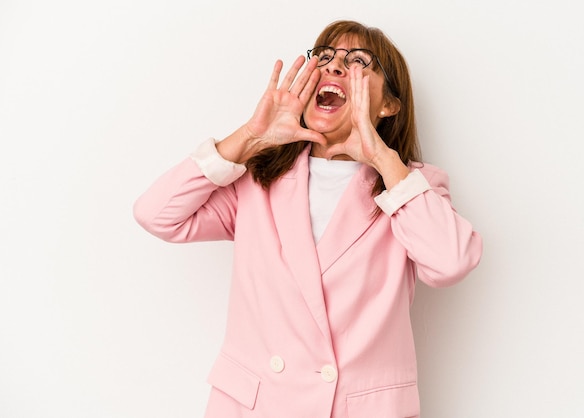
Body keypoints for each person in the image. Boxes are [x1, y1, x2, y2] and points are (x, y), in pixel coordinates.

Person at [134, 20, 482, 418]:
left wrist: (384, 160)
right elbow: (156, 214)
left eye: (357, 62)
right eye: (326, 56)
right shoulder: (257, 179)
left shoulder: (411, 187)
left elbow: (451, 262)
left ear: (388, 105)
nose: (335, 67)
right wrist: (251, 136)